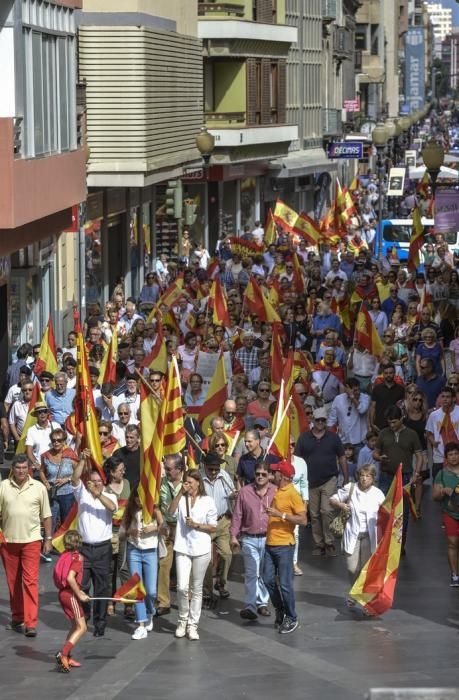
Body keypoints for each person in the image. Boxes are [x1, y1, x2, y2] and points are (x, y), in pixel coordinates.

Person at [0, 453, 52, 636]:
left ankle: (30, 623)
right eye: (18, 468)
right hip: (9, 542)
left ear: (28, 469)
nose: (21, 471)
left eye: (24, 468)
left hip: (32, 541)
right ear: (12, 469)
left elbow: (46, 516)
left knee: (30, 582)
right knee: (13, 582)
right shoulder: (3, 487)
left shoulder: (38, 487)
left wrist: (48, 539)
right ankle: (17, 618)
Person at [71, 449, 117, 637]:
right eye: (93, 481)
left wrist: (97, 494)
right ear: (89, 482)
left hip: (103, 548)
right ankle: (84, 616)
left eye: (99, 481)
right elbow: (74, 479)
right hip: (84, 548)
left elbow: (112, 508)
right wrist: (82, 460)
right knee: (82, 585)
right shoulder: (82, 494)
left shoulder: (109, 496)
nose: (96, 484)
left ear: (103, 482)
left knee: (102, 587)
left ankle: (100, 622)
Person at [169, 470, 217, 640]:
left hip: (201, 549)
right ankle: (182, 619)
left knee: (196, 589)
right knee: (182, 587)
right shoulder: (182, 499)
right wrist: (180, 493)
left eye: (190, 482)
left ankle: (193, 624)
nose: (187, 485)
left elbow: (213, 527)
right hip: (183, 547)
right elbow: (171, 511)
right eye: (186, 482)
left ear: (198, 483)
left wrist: (196, 525)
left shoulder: (207, 501)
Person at [294, 407, 347, 556]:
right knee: (314, 514)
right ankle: (319, 543)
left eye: (323, 420)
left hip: (329, 479)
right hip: (310, 481)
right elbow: (297, 459)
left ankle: (329, 542)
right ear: (313, 420)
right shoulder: (304, 438)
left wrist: (346, 477)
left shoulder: (333, 438)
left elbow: (342, 457)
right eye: (318, 420)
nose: (320, 423)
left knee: (326, 510)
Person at [330, 464, 385, 607]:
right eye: (362, 475)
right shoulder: (351, 488)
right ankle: (354, 590)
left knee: (365, 569)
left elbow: (386, 513)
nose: (364, 479)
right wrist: (341, 505)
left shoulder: (378, 493)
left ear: (373, 478)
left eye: (368, 476)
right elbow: (333, 499)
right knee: (352, 568)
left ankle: (362, 598)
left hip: (369, 536)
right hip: (352, 533)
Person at [263, 460, 307, 634]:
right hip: (270, 543)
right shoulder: (276, 491)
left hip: (284, 546)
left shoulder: (293, 494)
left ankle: (291, 617)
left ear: (282, 476)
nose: (272, 474)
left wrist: (280, 514)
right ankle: (280, 609)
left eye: (275, 472)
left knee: (286, 584)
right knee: (267, 580)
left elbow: (303, 520)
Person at [230, 460, 276, 620]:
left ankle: (262, 603)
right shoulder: (244, 491)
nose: (260, 477)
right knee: (251, 573)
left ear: (270, 475)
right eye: (258, 474)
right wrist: (233, 536)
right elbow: (237, 515)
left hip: (269, 538)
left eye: (264, 474)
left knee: (265, 573)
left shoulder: (276, 491)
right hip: (249, 538)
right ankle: (250, 606)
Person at [373, 406, 423, 554]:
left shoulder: (412, 434)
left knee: (403, 512)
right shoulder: (383, 433)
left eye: (394, 422)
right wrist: (379, 457)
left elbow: (419, 455)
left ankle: (400, 545)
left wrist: (416, 473)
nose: (392, 425)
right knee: (383, 510)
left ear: (402, 418)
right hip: (386, 476)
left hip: (405, 477)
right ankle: (383, 543)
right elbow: (375, 453)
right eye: (389, 422)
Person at [120, 487, 163, 640]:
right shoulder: (130, 511)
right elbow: (121, 533)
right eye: (137, 498)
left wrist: (155, 527)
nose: (139, 502)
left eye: (142, 499)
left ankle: (150, 611)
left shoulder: (154, 509)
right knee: (137, 588)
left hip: (150, 552)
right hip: (134, 551)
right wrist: (130, 531)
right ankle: (141, 624)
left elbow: (165, 529)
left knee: (151, 591)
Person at [200, 452, 235, 602]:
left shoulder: (224, 476)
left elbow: (231, 493)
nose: (214, 472)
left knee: (226, 554)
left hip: (222, 521)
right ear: (204, 467)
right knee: (206, 559)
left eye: (216, 469)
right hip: (206, 524)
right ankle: (207, 590)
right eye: (211, 469)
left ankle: (220, 584)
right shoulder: (199, 479)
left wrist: (235, 496)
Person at [54, 530, 90, 673]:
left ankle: (67, 656)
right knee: (82, 627)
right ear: (79, 543)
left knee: (75, 626)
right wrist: (79, 595)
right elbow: (70, 578)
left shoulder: (64, 556)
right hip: (70, 595)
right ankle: (63, 654)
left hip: (62, 593)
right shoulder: (77, 558)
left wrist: (80, 592)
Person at [157, 454, 184, 617]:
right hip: (167, 527)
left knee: (184, 565)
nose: (165, 471)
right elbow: (156, 506)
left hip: (183, 529)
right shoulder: (161, 483)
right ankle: (163, 601)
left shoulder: (189, 483)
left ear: (179, 469)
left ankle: (186, 601)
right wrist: (162, 523)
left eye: (168, 469)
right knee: (164, 564)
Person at [104, 456, 131, 617]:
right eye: (120, 470)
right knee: (110, 570)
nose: (123, 472)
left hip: (124, 532)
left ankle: (128, 603)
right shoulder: (105, 489)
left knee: (124, 568)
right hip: (109, 533)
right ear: (112, 473)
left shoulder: (126, 483)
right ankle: (109, 601)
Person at [40, 428, 78, 533]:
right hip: (52, 493)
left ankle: (65, 545)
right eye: (53, 440)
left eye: (59, 440)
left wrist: (67, 479)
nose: (56, 442)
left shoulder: (70, 454)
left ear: (64, 441)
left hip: (67, 493)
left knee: (66, 520)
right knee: (50, 520)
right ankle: (49, 543)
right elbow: (41, 471)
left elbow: (79, 472)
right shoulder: (46, 456)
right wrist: (46, 482)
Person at [432, 443, 459, 586]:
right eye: (451, 454)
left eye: (456, 453)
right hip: (450, 514)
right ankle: (455, 576)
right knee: (452, 543)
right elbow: (434, 496)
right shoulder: (441, 474)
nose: (454, 457)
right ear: (446, 457)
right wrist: (442, 491)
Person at [327, 378, 370, 450]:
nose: (358, 392)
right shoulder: (338, 399)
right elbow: (332, 420)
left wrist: (352, 396)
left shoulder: (365, 397)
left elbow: (362, 410)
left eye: (359, 389)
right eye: (355, 390)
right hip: (343, 442)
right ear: (347, 388)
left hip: (360, 442)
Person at [426, 387, 459, 480]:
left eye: (448, 397)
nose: (445, 399)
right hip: (439, 457)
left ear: (454, 398)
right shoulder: (434, 415)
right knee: (438, 485)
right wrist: (433, 442)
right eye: (442, 396)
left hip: (457, 455)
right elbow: (428, 433)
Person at [24, 402, 61, 474]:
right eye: (39, 412)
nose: (42, 414)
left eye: (44, 411)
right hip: (40, 469)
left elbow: (63, 445)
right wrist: (36, 464)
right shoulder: (31, 430)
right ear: (36, 415)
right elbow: (29, 451)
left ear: (47, 413)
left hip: (56, 467)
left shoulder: (56, 426)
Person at [369, 363, 405, 433]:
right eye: (386, 373)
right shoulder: (377, 388)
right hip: (380, 425)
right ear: (383, 374)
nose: (388, 375)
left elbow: (403, 407)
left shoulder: (401, 389)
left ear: (394, 373)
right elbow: (372, 407)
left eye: (391, 373)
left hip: (395, 425)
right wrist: (372, 424)